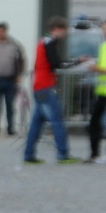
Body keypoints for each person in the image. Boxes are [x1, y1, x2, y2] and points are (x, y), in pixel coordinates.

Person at [23, 17, 77, 165]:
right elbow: (56, 63)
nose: (65, 33)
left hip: (38, 86)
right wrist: (76, 61)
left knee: (36, 123)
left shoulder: (42, 41)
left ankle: (28, 154)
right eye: (64, 30)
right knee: (57, 121)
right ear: (57, 29)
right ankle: (63, 154)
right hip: (46, 86)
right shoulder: (50, 42)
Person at [91, 30, 106, 164]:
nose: (104, 31)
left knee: (97, 122)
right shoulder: (103, 46)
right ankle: (94, 153)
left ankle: (96, 154)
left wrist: (96, 69)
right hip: (102, 92)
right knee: (95, 122)